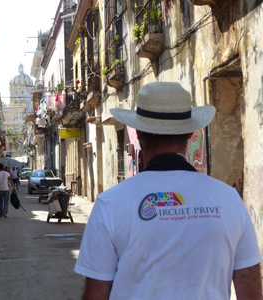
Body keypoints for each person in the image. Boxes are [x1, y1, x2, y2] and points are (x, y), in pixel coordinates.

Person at [74, 82, 262, 299]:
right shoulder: (229, 200)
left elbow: (96, 294)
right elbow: (250, 291)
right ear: (191, 133)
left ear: (138, 133)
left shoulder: (110, 204)